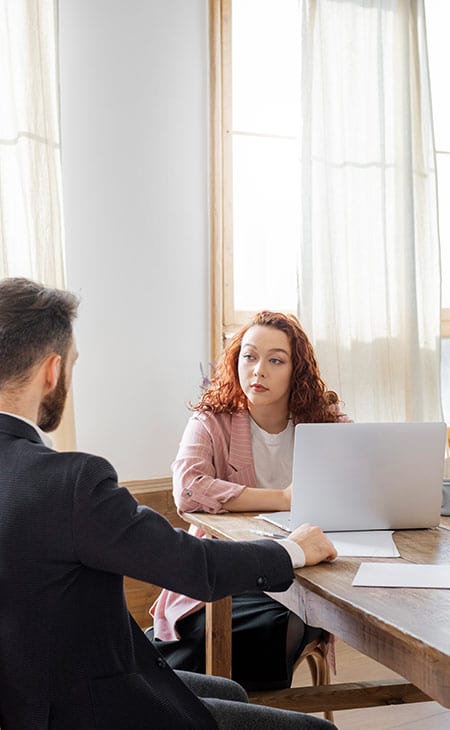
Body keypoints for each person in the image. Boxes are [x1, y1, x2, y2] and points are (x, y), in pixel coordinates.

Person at [0, 278, 338, 730]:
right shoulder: (69, 481)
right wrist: (293, 550)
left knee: (230, 690)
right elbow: (190, 564)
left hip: (24, 695)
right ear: (52, 370)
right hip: (83, 708)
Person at [150, 310, 350, 691]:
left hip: (305, 575)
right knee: (240, 630)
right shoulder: (211, 419)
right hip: (229, 569)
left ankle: (236, 710)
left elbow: (358, 483)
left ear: (297, 370)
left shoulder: (326, 423)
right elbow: (188, 490)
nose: (258, 370)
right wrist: (283, 498)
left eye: (275, 360)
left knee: (282, 621)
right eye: (249, 356)